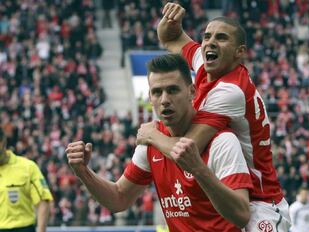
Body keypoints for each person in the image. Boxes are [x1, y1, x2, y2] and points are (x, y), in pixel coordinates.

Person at [136, 2, 291, 231]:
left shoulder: (230, 90)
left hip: (261, 202)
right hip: (231, 191)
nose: (210, 42)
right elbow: (171, 39)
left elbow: (188, 149)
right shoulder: (205, 67)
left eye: (221, 38)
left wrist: (151, 134)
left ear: (240, 52)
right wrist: (169, 22)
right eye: (207, 36)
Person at [65, 54, 252, 232]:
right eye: (157, 92)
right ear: (150, 97)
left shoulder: (221, 141)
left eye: (172, 90)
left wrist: (198, 170)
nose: (164, 100)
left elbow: (242, 215)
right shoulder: (149, 144)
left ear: (192, 92)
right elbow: (119, 198)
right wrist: (83, 172)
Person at [0, 127, 53, 232]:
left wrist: (41, 230)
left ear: (3, 142)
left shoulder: (27, 167)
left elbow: (43, 200)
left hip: (23, 228)